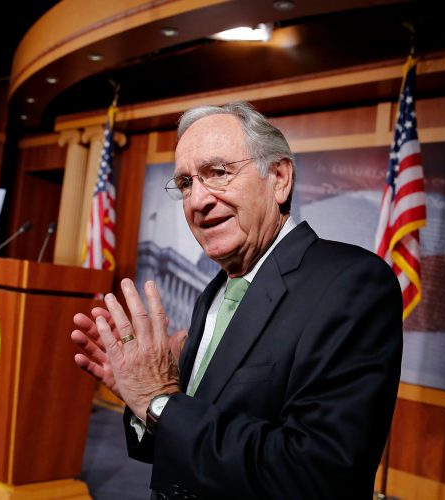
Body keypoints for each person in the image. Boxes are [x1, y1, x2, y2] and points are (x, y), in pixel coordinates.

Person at [71, 101, 402, 499]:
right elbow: (187, 438)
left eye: (218, 172)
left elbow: (317, 475)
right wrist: (142, 399)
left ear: (279, 178)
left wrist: (159, 402)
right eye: (185, 183)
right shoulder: (215, 291)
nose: (197, 201)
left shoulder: (351, 284)